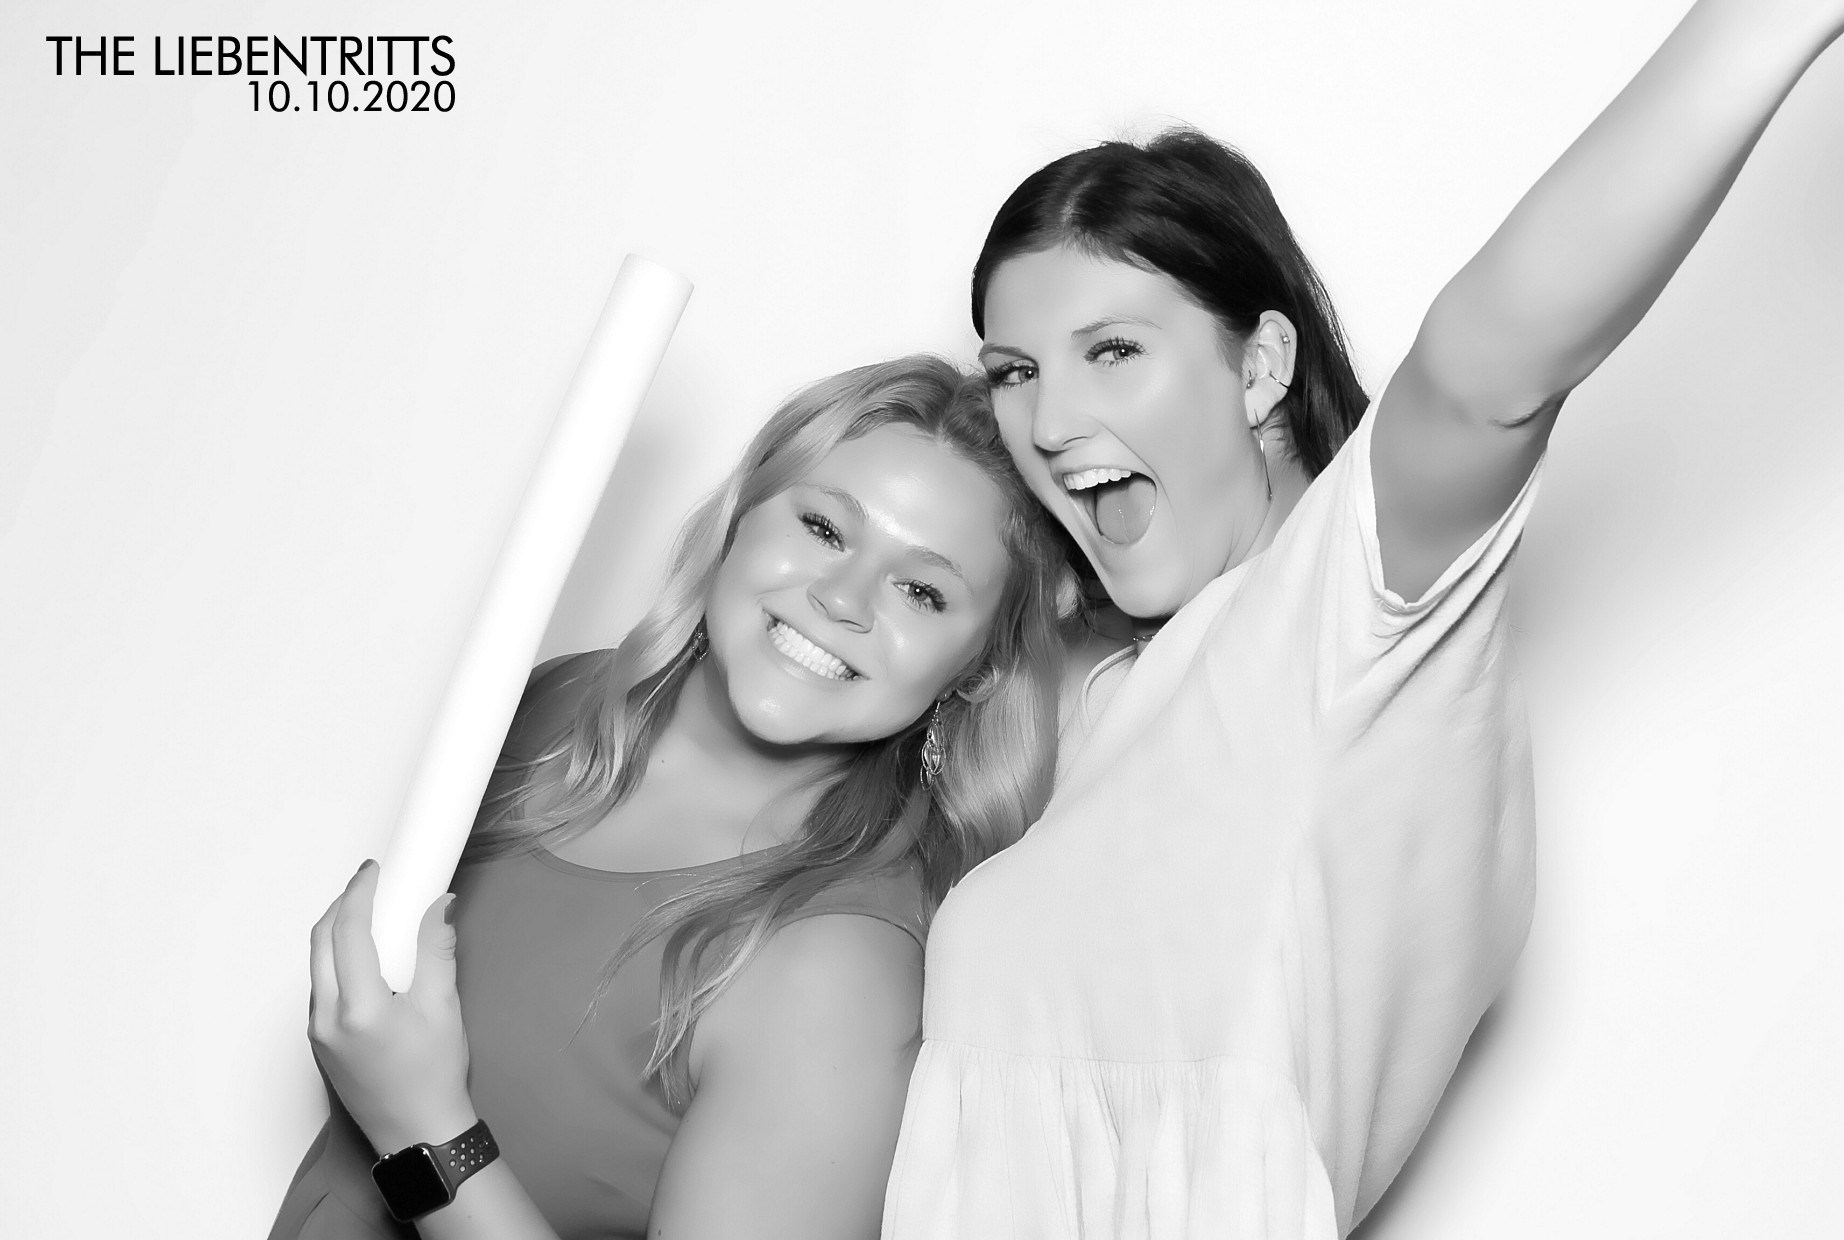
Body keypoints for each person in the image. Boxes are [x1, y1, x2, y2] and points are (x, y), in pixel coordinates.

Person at [881, 3, 1844, 1237]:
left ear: (1258, 367)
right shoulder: (1113, 698)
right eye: (1013, 373)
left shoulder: (1345, 609)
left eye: (1110, 350)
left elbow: (1484, 374)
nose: (1051, 422)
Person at [268, 356, 1069, 1239]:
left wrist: (425, 1130)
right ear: (741, 518)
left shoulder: (838, 975)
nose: (841, 598)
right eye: (823, 527)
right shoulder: (550, 710)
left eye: (922, 591)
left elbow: (403, 1118)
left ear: (978, 668)